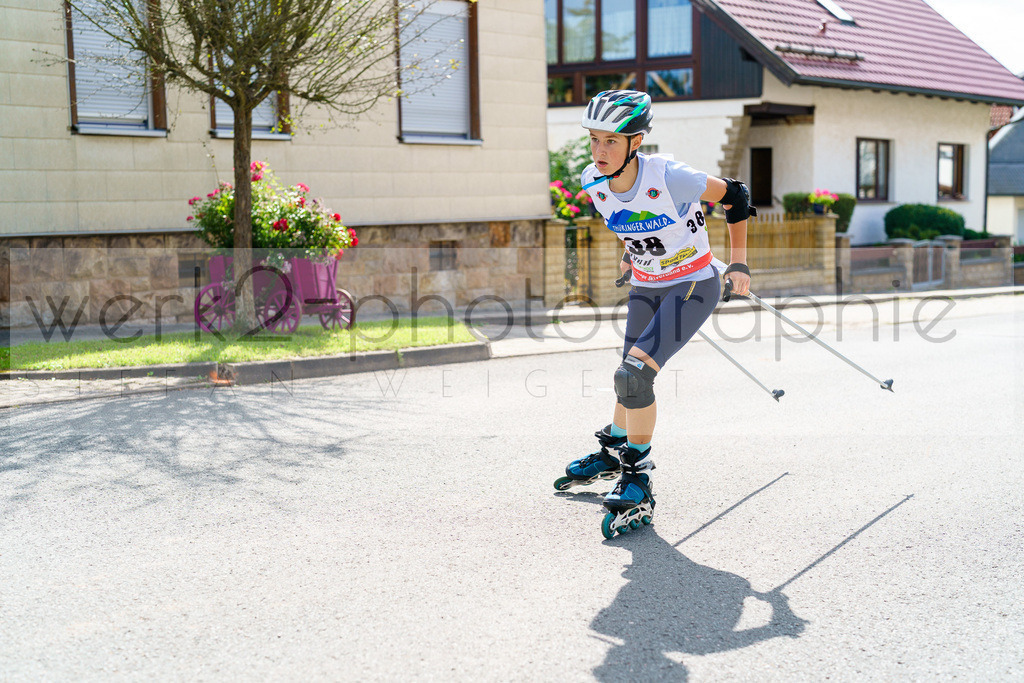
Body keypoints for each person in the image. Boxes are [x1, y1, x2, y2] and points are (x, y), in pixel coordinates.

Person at [552, 90, 755, 539]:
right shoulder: (592, 180)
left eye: (611, 141)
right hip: (647, 285)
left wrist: (738, 263)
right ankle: (615, 446)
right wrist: (630, 254)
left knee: (634, 378)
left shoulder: (672, 177)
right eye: (594, 140)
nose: (599, 151)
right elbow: (630, 222)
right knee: (627, 377)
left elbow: (736, 197)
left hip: (692, 284)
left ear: (635, 141)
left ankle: (638, 479)